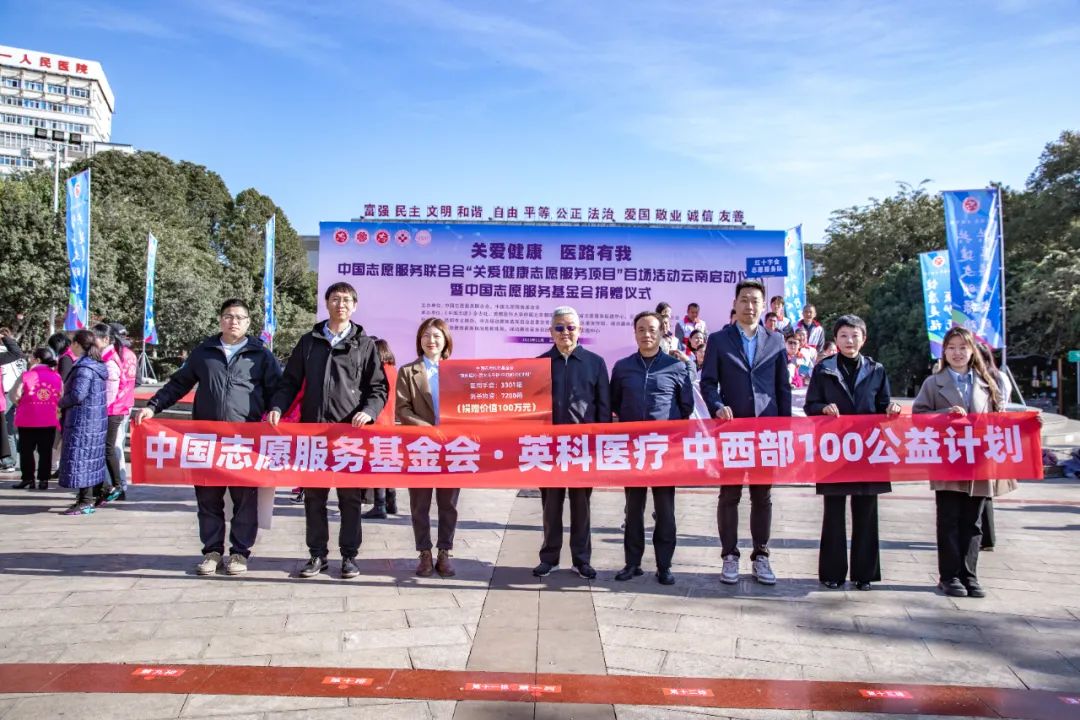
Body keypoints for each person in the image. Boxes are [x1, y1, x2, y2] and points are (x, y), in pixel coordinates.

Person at [136, 299, 281, 576]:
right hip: (206, 440)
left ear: (248, 323)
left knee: (245, 500)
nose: (233, 321)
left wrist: (277, 409)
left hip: (245, 441)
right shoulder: (204, 352)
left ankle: (239, 553)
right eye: (228, 316)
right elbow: (179, 384)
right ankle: (212, 551)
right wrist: (153, 406)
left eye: (239, 317)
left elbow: (278, 389)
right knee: (208, 497)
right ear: (220, 320)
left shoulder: (261, 355)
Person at [269, 282, 388, 580]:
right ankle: (317, 555)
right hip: (314, 435)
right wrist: (278, 406)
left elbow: (378, 388)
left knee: (350, 499)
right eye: (335, 299)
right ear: (326, 303)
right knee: (314, 498)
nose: (341, 304)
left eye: (347, 300)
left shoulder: (365, 345)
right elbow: (290, 382)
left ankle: (349, 556)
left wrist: (369, 412)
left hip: (349, 435)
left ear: (355, 306)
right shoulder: (309, 342)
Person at [913, 326, 1016, 599]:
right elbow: (919, 417)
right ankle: (949, 576)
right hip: (948, 459)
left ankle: (969, 575)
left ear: (972, 351)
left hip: (979, 461)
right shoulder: (933, 383)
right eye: (951, 347)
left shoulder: (987, 383)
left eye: (963, 347)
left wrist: (1028, 424)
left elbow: (1000, 418)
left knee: (973, 522)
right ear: (944, 352)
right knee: (948, 519)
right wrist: (945, 414)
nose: (957, 353)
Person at [701, 279, 791, 585]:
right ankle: (729, 555)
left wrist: (785, 427)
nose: (749, 306)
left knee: (762, 496)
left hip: (766, 430)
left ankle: (761, 556)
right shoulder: (719, 340)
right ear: (735, 303)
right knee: (730, 494)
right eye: (744, 300)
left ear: (763, 306)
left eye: (755, 300)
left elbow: (782, 387)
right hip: (732, 430)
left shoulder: (776, 340)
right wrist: (716, 406)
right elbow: (708, 382)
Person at [804, 315, 901, 591]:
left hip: (868, 451)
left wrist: (891, 410)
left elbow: (883, 405)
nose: (849, 341)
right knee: (833, 512)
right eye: (844, 335)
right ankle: (832, 572)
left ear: (864, 339)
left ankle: (864, 574)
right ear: (835, 339)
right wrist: (823, 408)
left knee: (866, 512)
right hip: (834, 450)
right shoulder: (824, 370)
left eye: (855, 335)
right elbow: (811, 405)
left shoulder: (876, 370)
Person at [611, 311, 694, 585]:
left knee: (665, 510)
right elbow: (615, 403)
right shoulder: (622, 367)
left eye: (652, 329)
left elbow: (686, 406)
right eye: (641, 329)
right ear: (634, 333)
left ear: (661, 333)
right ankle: (632, 563)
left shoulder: (676, 367)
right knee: (633, 510)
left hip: (663, 451)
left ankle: (664, 566)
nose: (647, 334)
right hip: (633, 449)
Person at [534, 306, 611, 579]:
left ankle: (581, 560)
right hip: (549, 448)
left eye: (570, 327)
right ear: (551, 332)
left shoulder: (595, 362)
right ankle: (549, 558)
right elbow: (531, 408)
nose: (565, 332)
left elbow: (603, 406)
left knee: (581, 506)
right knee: (550, 506)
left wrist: (600, 444)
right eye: (559, 328)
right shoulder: (540, 364)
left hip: (582, 448)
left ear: (580, 330)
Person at [396, 318, 460, 577]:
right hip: (421, 446)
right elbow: (402, 409)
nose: (431, 340)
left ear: (445, 341)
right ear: (419, 340)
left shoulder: (457, 371)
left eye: (436, 336)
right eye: (426, 335)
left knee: (449, 504)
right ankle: (424, 553)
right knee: (419, 504)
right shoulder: (407, 371)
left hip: (452, 447)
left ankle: (445, 552)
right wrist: (429, 430)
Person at [57, 329, 109, 515]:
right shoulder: (96, 365)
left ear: (78, 344)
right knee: (90, 459)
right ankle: (97, 493)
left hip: (83, 421)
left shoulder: (85, 368)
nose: (70, 346)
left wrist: (60, 402)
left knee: (82, 460)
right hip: (93, 419)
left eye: (72, 342)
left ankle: (85, 501)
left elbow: (78, 394)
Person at [11, 347, 62, 490]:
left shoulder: (26, 375)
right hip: (49, 420)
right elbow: (61, 396)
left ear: (37, 360)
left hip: (27, 420)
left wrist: (22, 403)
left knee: (26, 451)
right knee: (45, 451)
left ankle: (28, 479)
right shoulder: (57, 377)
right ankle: (44, 480)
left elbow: (14, 395)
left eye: (32, 357)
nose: (30, 359)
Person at [363, 338, 399, 519]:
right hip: (390, 424)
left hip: (376, 423)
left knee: (377, 465)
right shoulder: (393, 370)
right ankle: (391, 502)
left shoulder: (377, 372)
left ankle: (380, 506)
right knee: (387, 464)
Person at [104, 323, 137, 501]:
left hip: (114, 405)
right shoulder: (131, 354)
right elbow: (137, 380)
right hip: (126, 403)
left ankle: (116, 484)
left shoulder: (115, 355)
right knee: (117, 445)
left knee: (112, 447)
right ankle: (117, 483)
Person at [0, 327, 25, 472]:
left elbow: (16, 353)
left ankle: (9, 460)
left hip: (7, 394)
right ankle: (8, 460)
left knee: (7, 429)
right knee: (7, 429)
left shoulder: (3, 354)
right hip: (8, 393)